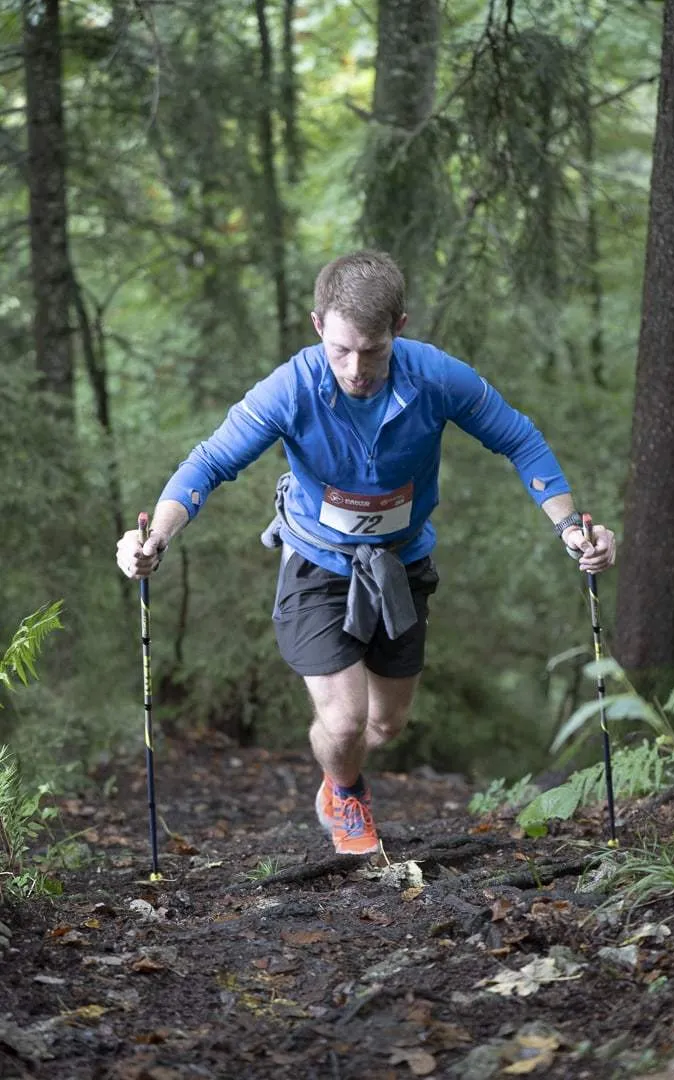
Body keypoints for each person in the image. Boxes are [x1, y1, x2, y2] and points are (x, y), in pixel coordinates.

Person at [116, 250, 616, 857]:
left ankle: (337, 779)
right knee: (347, 720)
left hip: (402, 563)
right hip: (316, 561)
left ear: (399, 328)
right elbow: (211, 461)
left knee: (385, 724)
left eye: (373, 351)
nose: (356, 369)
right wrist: (155, 538)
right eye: (341, 350)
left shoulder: (435, 377)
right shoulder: (292, 388)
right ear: (317, 324)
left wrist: (570, 527)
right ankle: (347, 792)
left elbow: (519, 438)